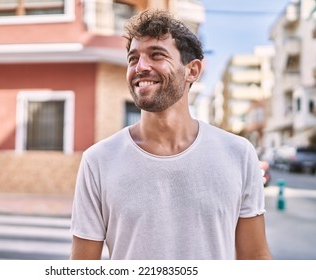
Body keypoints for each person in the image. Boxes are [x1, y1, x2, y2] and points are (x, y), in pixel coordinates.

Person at [70, 10, 272, 260]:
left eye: (157, 55)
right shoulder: (98, 161)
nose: (140, 67)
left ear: (192, 70)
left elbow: (255, 259)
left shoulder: (239, 154)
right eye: (133, 59)